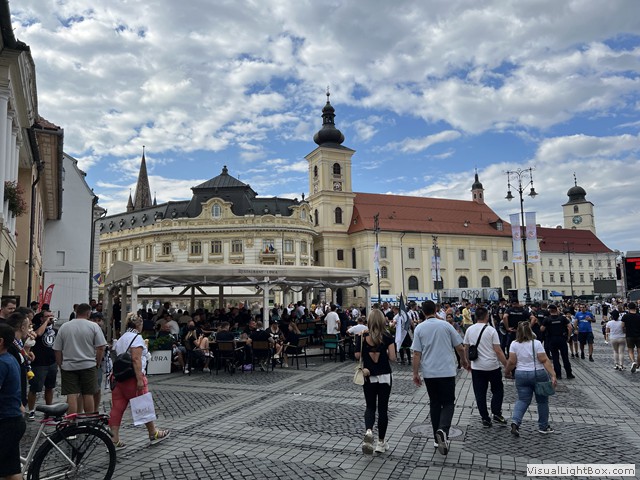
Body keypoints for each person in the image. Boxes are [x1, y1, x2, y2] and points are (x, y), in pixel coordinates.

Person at [412, 301, 469, 455]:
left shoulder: (419, 328)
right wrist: (464, 361)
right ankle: (443, 430)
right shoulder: (446, 326)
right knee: (448, 403)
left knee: (435, 403)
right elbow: (460, 347)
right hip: (447, 371)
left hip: (430, 373)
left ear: (423, 312)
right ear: (436, 310)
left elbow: (416, 353)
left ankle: (437, 439)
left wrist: (415, 373)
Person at [109, 314, 170, 448]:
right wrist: (139, 379)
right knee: (143, 404)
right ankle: (153, 432)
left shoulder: (122, 338)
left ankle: (114, 439)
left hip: (119, 378)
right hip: (132, 377)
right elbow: (136, 359)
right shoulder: (136, 338)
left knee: (117, 408)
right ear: (138, 324)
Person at [52, 303, 107, 414]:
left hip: (69, 366)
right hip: (88, 365)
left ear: (76, 312)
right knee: (88, 394)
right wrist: (97, 362)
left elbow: (57, 349)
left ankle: (71, 420)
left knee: (71, 394)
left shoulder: (65, 327)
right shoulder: (93, 326)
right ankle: (89, 419)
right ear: (88, 313)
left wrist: (60, 364)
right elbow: (101, 347)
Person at [504, 321, 557, 436]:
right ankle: (543, 426)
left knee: (522, 400)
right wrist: (553, 375)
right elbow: (544, 360)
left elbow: (512, 361)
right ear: (530, 331)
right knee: (542, 401)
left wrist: (507, 371)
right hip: (538, 374)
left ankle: (515, 422)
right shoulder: (536, 343)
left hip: (521, 374)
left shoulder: (514, 344)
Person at [355, 309, 396, 455]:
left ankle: (369, 431)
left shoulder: (362, 336)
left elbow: (357, 355)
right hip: (384, 376)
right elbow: (393, 357)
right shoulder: (387, 336)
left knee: (370, 407)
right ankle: (380, 442)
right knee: (383, 409)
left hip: (369, 376)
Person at [463, 306, 508, 427]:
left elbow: (466, 348)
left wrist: (467, 362)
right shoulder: (491, 330)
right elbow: (498, 350)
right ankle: (496, 412)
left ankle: (485, 418)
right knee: (498, 390)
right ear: (487, 316)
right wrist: (507, 365)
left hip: (477, 367)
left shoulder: (469, 330)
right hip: (492, 366)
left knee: (480, 394)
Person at [0, 323, 27, 480]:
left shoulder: (2, 363)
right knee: (10, 470)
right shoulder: (9, 359)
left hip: (6, 422)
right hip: (12, 420)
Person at [27, 307, 57, 420]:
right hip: (39, 363)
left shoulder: (55, 330)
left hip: (51, 362)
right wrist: (45, 322)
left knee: (50, 387)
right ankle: (31, 410)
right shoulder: (35, 328)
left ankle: (49, 410)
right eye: (47, 316)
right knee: (34, 388)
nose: (50, 318)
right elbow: (38, 334)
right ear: (41, 318)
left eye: (51, 316)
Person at [540, 304, 574, 380]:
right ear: (556, 310)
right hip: (562, 339)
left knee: (555, 357)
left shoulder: (547, 319)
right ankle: (569, 374)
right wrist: (568, 337)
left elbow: (542, 329)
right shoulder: (562, 318)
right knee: (565, 357)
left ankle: (558, 374)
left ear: (549, 311)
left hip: (552, 339)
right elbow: (570, 327)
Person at [622, 302, 640, 373]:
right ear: (635, 308)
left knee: (630, 351)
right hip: (639, 335)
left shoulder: (625, 316)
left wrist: (624, 331)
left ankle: (633, 362)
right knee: (639, 351)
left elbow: (622, 326)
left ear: (628, 308)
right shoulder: (639, 316)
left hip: (629, 335)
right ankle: (638, 365)